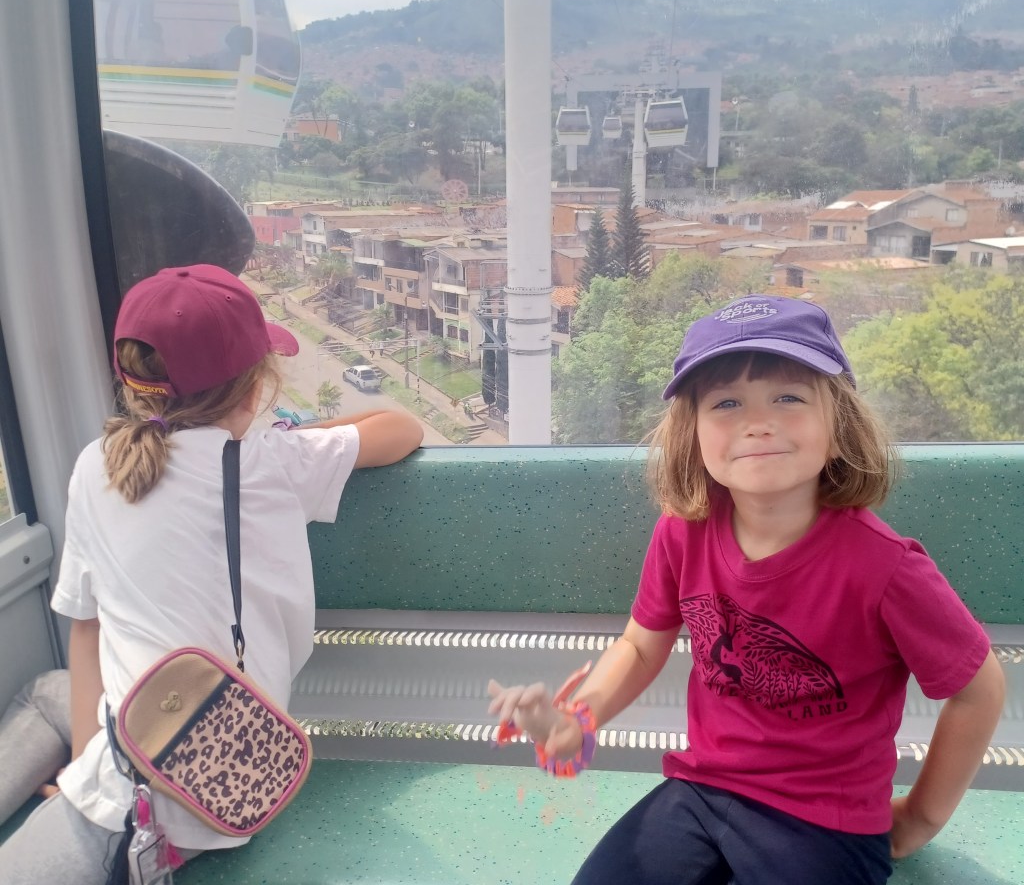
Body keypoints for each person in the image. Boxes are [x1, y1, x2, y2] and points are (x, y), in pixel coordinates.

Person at [488, 295, 1005, 885]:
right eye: (726, 403)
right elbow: (640, 645)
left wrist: (920, 819)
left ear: (838, 428)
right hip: (701, 790)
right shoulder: (682, 533)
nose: (758, 422)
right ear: (694, 436)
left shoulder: (886, 567)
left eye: (789, 397)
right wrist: (577, 719)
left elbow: (979, 688)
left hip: (826, 820)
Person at [0, 263, 423, 884]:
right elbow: (402, 428)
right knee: (49, 693)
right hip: (236, 772)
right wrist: (290, 436)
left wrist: (87, 771)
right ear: (254, 388)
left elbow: (86, 630)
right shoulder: (277, 461)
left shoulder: (96, 466)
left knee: (43, 695)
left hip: (139, 797)